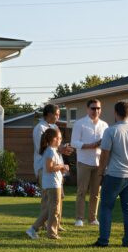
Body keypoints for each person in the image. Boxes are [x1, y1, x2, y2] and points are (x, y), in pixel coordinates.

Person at [94, 101, 128, 248]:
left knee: (106, 207)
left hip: (114, 174)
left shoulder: (111, 131)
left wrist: (100, 173)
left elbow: (104, 154)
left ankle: (104, 240)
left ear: (115, 113)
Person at [32, 104, 73, 232]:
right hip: (43, 168)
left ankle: (56, 223)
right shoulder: (40, 128)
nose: (58, 117)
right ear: (49, 114)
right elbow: (42, 149)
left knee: (59, 197)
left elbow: (56, 147)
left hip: (56, 168)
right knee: (47, 199)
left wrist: (63, 150)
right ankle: (46, 225)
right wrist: (60, 149)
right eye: (57, 114)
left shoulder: (54, 127)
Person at [26, 128, 70, 240]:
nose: (61, 140)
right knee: (55, 210)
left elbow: (52, 167)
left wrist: (62, 168)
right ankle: (51, 233)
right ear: (54, 139)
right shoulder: (50, 150)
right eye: (59, 138)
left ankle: (33, 229)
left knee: (50, 209)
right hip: (52, 184)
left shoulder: (53, 150)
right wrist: (61, 166)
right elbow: (49, 168)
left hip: (54, 183)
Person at [70, 98, 108, 227]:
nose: (95, 111)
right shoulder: (80, 123)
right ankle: (79, 218)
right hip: (84, 161)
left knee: (96, 193)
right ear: (87, 109)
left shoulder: (104, 125)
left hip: (99, 162)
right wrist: (91, 145)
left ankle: (92, 218)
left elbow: (107, 144)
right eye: (93, 108)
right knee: (81, 191)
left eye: (98, 108)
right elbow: (74, 143)